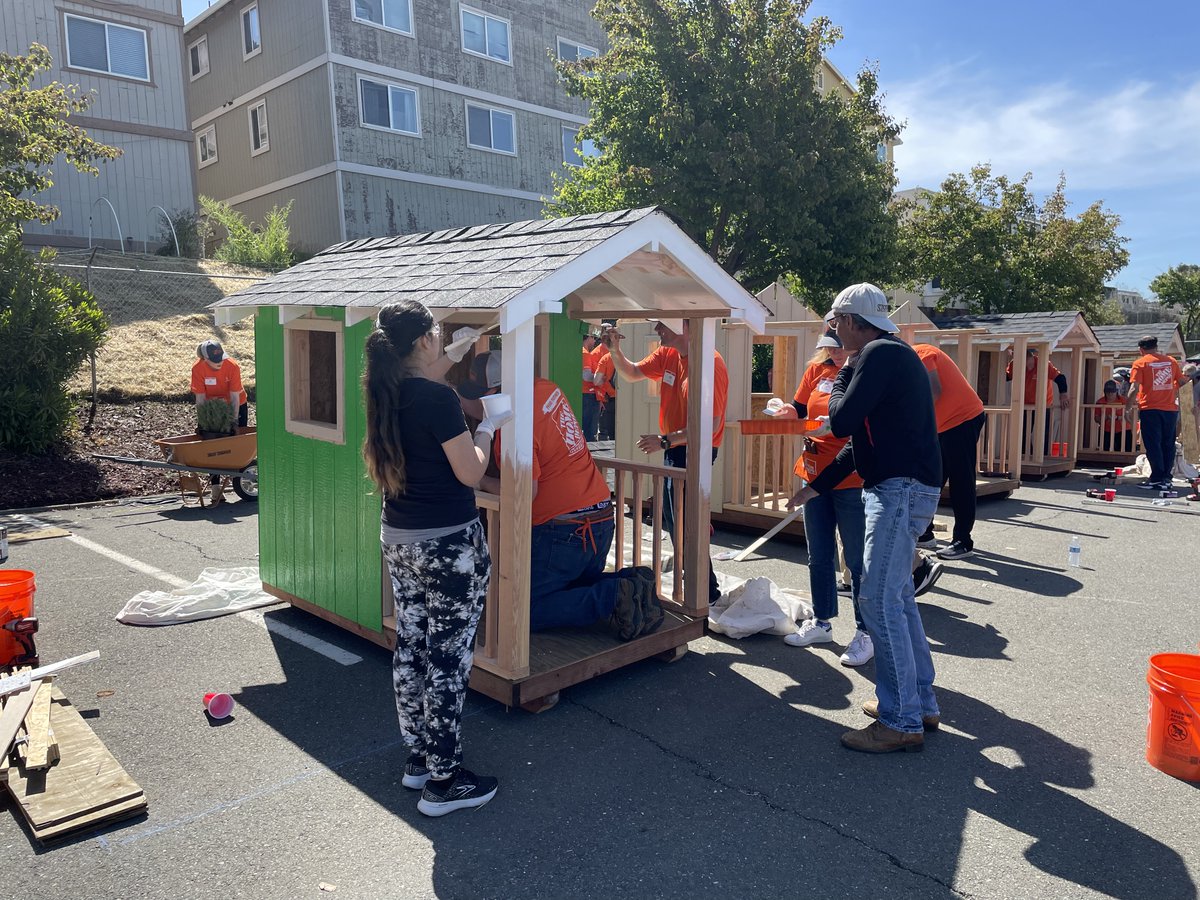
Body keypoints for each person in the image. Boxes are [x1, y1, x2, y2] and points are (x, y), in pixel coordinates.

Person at [362, 300, 509, 818]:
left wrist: (456, 353)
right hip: (449, 546)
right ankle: (445, 782)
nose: (442, 339)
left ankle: (420, 759)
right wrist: (489, 427)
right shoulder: (439, 398)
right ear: (423, 340)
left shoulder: (385, 391)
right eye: (439, 334)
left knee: (412, 647)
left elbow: (424, 379)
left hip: (400, 539)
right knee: (448, 659)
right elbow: (470, 472)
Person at [790, 284, 942, 754]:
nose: (833, 331)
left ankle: (900, 720)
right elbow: (859, 444)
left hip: (898, 490)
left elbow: (842, 421)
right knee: (897, 598)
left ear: (855, 321)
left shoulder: (876, 354)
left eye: (836, 322)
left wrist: (842, 373)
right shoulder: (891, 355)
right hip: (904, 487)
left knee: (876, 599)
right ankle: (920, 703)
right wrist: (816, 486)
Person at [470, 350, 660, 639]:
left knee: (522, 608)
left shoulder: (513, 424)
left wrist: (480, 480)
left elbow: (525, 492)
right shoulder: (545, 388)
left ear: (494, 394)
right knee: (568, 587)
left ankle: (612, 595)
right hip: (600, 520)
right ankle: (631, 583)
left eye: (482, 396)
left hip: (562, 533)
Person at [603, 318, 728, 606]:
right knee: (676, 520)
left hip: (696, 450)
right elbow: (632, 373)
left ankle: (705, 590)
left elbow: (711, 424)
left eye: (662, 325)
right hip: (674, 447)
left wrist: (666, 440)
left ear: (685, 326)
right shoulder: (668, 353)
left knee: (686, 521)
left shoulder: (711, 363)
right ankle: (698, 582)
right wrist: (614, 351)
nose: (657, 330)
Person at [771, 330, 872, 667]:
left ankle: (866, 631)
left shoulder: (863, 371)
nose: (836, 353)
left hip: (851, 477)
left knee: (856, 559)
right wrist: (786, 411)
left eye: (840, 347)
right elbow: (799, 408)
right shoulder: (817, 370)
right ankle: (822, 621)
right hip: (813, 471)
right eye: (831, 347)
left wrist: (831, 426)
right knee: (819, 554)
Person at [913, 344, 986, 560]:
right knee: (932, 477)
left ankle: (963, 541)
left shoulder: (921, 354)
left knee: (961, 480)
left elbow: (934, 391)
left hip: (962, 419)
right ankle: (925, 533)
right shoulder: (902, 364)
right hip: (942, 425)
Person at [190, 339, 248, 505]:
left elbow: (235, 397)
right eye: (215, 360)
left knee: (237, 443)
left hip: (236, 405)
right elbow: (200, 398)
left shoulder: (232, 366)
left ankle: (240, 478)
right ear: (205, 359)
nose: (219, 362)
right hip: (213, 409)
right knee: (213, 447)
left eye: (220, 358)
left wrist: (234, 421)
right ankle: (215, 488)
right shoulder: (198, 369)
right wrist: (203, 421)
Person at [1124, 335, 1186, 489]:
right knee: (1168, 444)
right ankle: (1166, 478)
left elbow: (1134, 388)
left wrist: (1128, 407)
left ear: (1141, 349)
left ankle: (1157, 478)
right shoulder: (1171, 361)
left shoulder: (1140, 363)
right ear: (1157, 347)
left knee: (1153, 444)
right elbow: (1182, 382)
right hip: (1170, 410)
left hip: (1150, 409)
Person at [1094, 379, 1133, 453]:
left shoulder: (1124, 401)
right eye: (1108, 391)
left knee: (1127, 451)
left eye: (1112, 391)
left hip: (1124, 430)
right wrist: (1106, 417)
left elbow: (1131, 416)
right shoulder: (1100, 402)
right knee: (1105, 451)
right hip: (1106, 430)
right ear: (1104, 392)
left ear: (1116, 391)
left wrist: (1118, 418)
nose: (1110, 394)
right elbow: (1096, 418)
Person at [580, 332, 603, 442]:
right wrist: (602, 378)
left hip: (585, 394)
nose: (594, 341)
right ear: (588, 337)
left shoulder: (581, 352)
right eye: (593, 337)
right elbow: (586, 376)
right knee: (590, 431)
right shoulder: (585, 353)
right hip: (589, 395)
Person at [594, 337, 618, 441]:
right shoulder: (629, 357)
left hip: (612, 400)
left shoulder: (606, 358)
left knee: (612, 433)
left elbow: (596, 381)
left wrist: (604, 380)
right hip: (629, 399)